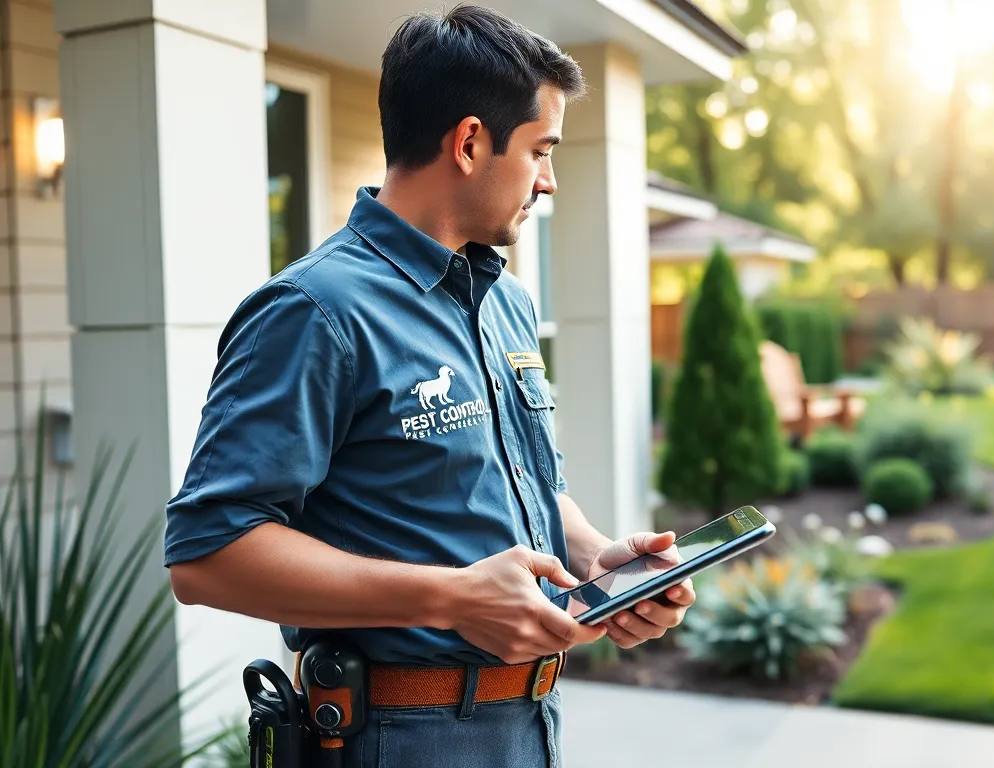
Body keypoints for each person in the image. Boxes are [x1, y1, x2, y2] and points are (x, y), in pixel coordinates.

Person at [162, 5, 693, 765]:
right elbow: (206, 554)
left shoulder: (506, 301)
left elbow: (528, 484)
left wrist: (596, 559)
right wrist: (451, 597)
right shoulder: (314, 311)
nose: (548, 181)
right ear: (470, 143)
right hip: (399, 736)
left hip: (530, 724)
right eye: (541, 150)